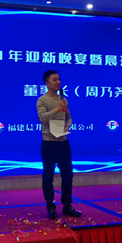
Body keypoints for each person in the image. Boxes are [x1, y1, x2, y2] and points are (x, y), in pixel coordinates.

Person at [36, 70, 81, 220]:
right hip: (49, 144)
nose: (58, 82)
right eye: (54, 80)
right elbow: (42, 118)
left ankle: (67, 205)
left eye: (59, 79)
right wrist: (56, 109)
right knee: (48, 177)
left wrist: (68, 125)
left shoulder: (64, 100)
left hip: (63, 143)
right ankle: (51, 207)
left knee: (68, 175)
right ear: (47, 83)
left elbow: (69, 117)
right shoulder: (42, 100)